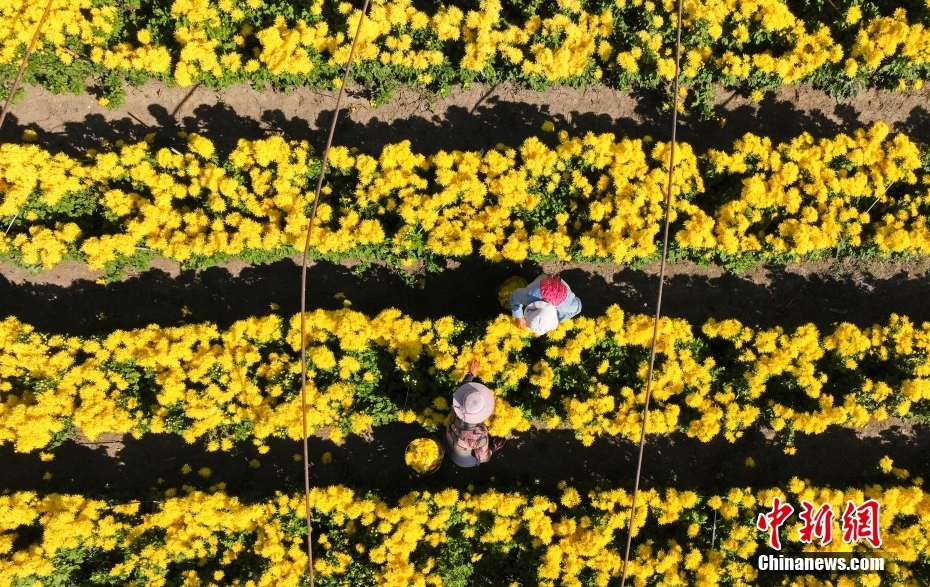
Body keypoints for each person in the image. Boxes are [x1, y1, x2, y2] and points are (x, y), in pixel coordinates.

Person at [444, 359, 505, 468]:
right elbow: (483, 458)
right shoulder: (480, 436)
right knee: (482, 459)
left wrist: (470, 374)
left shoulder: (456, 406)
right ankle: (495, 447)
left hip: (447, 443)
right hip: (462, 460)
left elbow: (462, 392)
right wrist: (492, 449)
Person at [510, 273, 581, 333]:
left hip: (547, 278)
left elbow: (578, 306)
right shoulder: (529, 296)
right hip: (543, 280)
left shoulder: (565, 306)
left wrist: (560, 319)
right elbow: (514, 296)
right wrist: (518, 317)